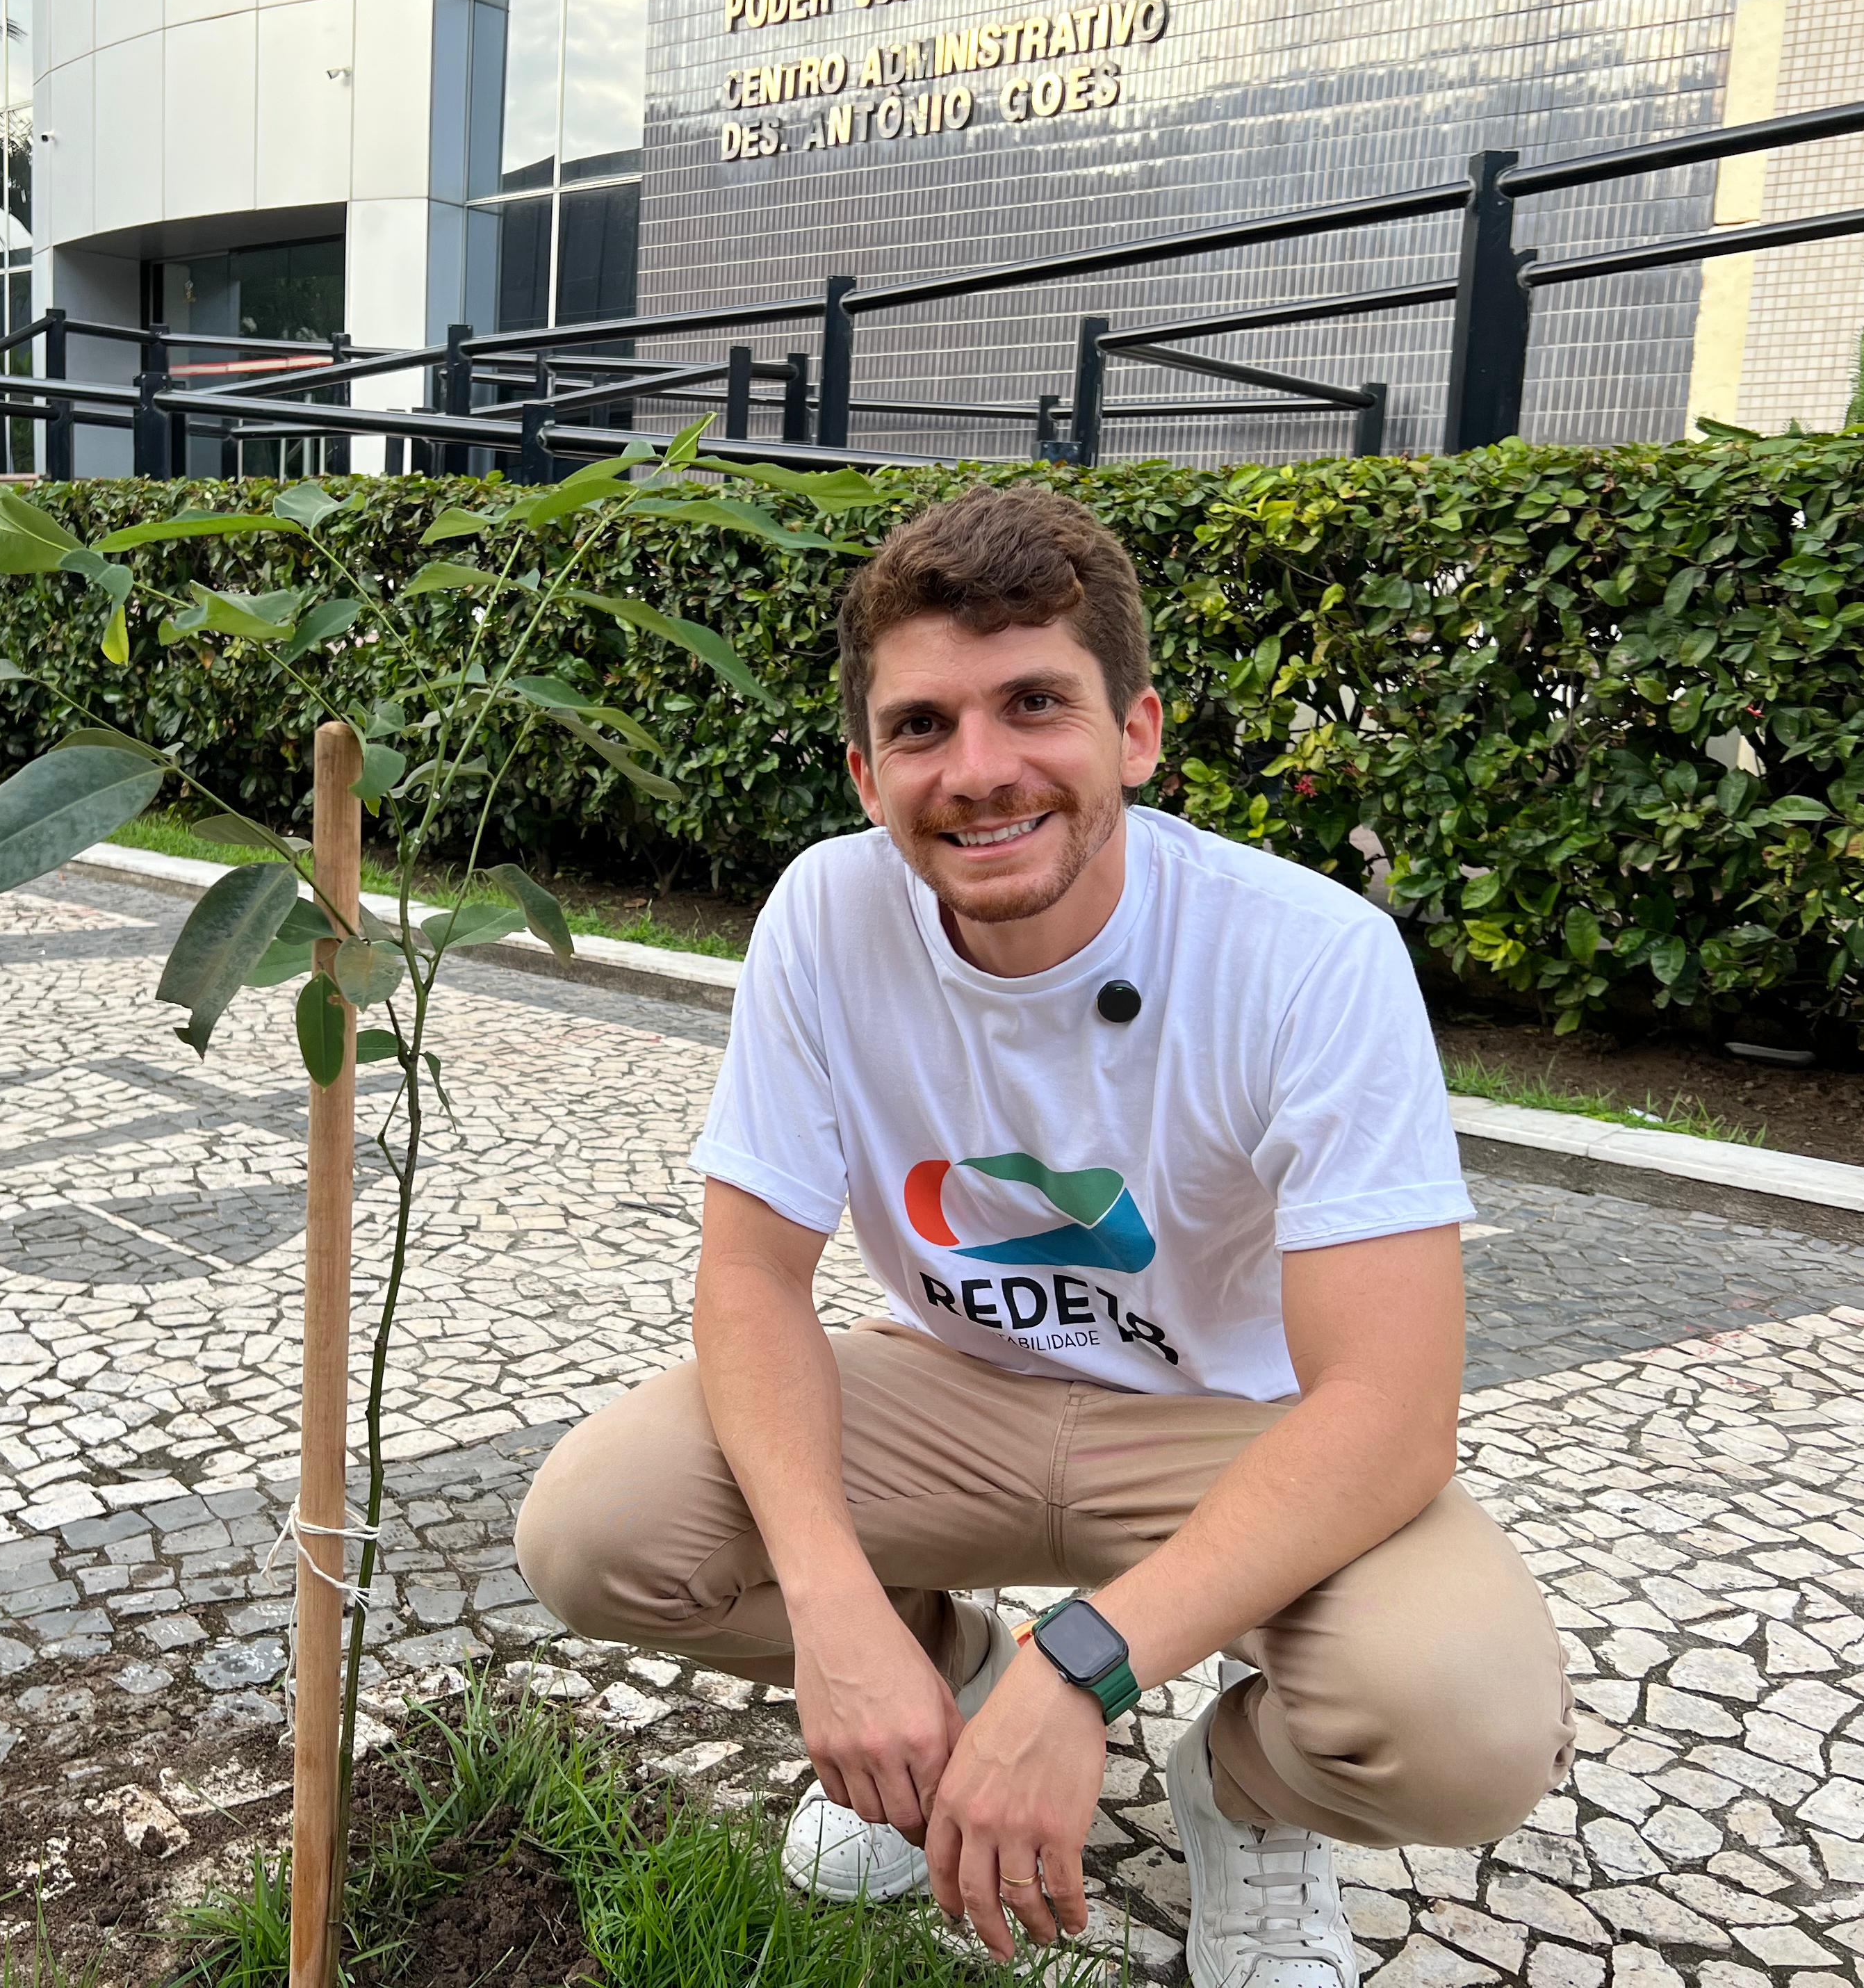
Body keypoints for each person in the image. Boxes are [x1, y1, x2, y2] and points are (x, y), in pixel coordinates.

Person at [514, 484, 1571, 1981]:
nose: (980, 770)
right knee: (598, 1532)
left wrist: (1081, 1670)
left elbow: (1392, 1412)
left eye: (1034, 704)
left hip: (1227, 1422)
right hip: (956, 1385)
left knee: (1465, 1726)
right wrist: (840, 1620)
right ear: (866, 770)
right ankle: (938, 1686)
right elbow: (751, 1278)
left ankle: (1245, 1797)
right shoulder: (825, 915)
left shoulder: (1308, 955)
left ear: (1135, 733)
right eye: (922, 726)